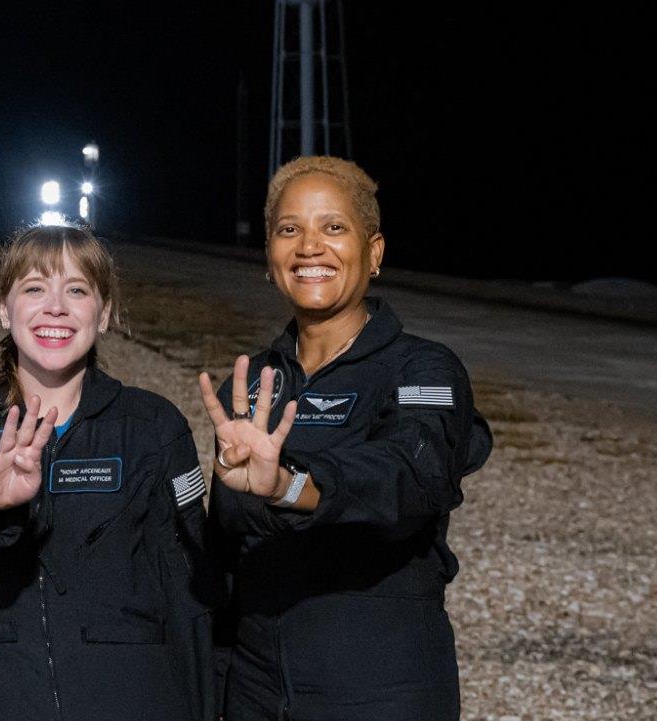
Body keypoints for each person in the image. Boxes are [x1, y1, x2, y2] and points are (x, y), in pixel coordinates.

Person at [200, 156, 491, 721]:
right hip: (257, 688)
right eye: (289, 229)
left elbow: (409, 478)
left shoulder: (422, 369)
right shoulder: (255, 383)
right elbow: (223, 557)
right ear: (269, 257)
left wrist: (289, 485)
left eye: (334, 227)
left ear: (374, 252)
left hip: (380, 684)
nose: (310, 247)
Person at [0, 224, 215, 720]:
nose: (56, 307)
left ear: (105, 312)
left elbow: (190, 591)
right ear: (4, 309)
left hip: (137, 699)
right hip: (3, 698)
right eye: (34, 288)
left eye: (77, 289)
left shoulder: (153, 426)